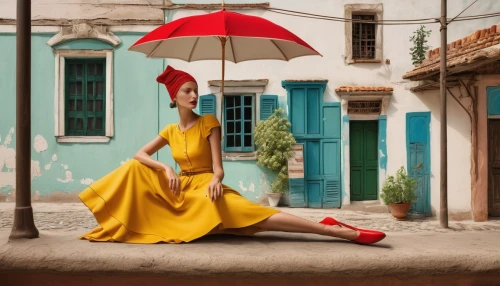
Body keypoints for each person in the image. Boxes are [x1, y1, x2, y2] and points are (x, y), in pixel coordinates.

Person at [78, 66, 386, 245]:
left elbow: (218, 169)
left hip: (207, 188)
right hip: (182, 190)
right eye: (187, 90)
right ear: (175, 97)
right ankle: (328, 226)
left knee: (256, 219)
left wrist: (215, 179)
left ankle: (332, 230)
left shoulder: (209, 123)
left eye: (195, 89)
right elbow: (138, 155)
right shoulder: (170, 130)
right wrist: (165, 170)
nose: (194, 95)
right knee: (134, 169)